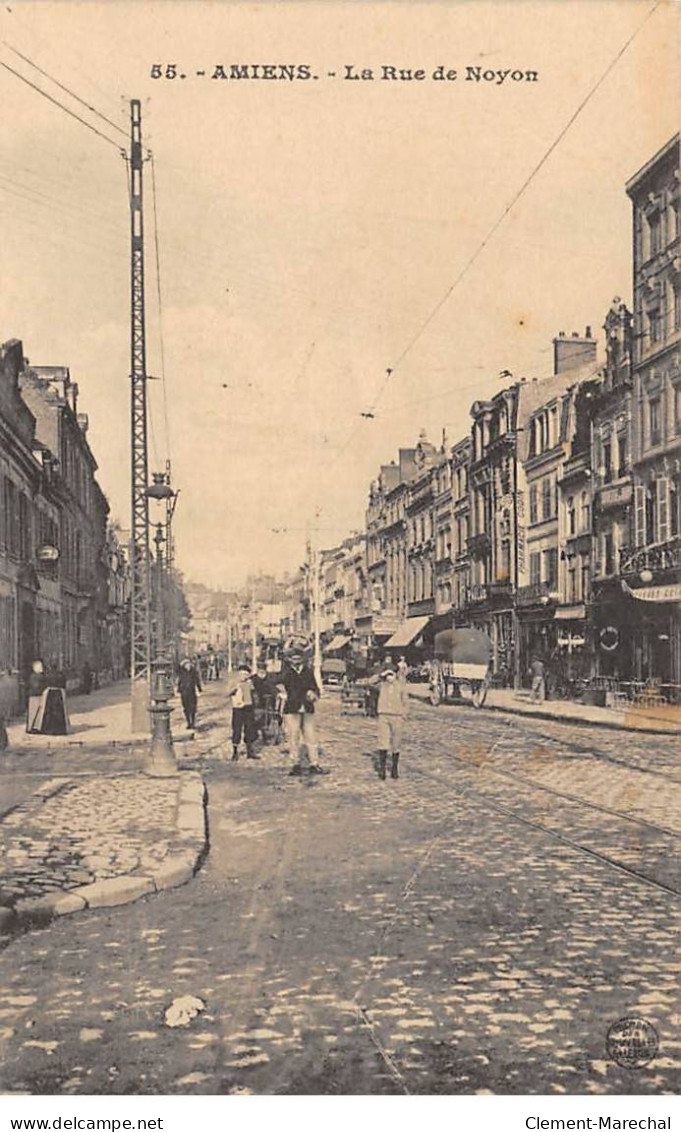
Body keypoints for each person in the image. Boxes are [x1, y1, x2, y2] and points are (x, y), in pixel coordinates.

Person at [280, 643, 322, 775]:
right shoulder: (286, 673)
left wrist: (313, 693)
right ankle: (295, 764)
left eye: (298, 659)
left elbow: (316, 689)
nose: (296, 661)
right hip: (292, 709)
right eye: (293, 659)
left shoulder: (308, 672)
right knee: (293, 737)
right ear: (290, 660)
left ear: (302, 659)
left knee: (311, 737)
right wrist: (279, 694)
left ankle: (314, 764)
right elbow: (270, 682)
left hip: (307, 708)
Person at [376, 665, 409, 780]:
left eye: (391, 674)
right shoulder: (381, 685)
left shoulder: (400, 686)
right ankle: (382, 769)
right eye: (387, 675)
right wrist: (380, 676)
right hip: (383, 716)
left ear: (395, 674)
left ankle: (394, 768)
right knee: (383, 742)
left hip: (397, 717)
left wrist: (403, 715)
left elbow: (405, 701)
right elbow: (368, 682)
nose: (389, 677)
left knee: (396, 743)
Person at [227, 664, 259, 760]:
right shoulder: (234, 682)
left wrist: (256, 703)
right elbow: (227, 693)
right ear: (238, 674)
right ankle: (235, 751)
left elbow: (254, 694)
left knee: (249, 729)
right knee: (237, 729)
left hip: (248, 708)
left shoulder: (250, 683)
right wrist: (234, 689)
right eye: (242, 674)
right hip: (238, 708)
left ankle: (250, 751)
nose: (244, 676)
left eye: (246, 674)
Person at [252, 663, 279, 743]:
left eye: (263, 672)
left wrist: (278, 693)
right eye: (260, 672)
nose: (262, 674)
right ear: (257, 671)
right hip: (257, 702)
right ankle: (256, 734)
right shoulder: (253, 679)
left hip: (270, 701)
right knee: (257, 718)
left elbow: (273, 687)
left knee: (271, 716)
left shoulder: (270, 678)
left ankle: (270, 734)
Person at [178, 658, 202, 729]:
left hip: (192, 692)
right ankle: (188, 722)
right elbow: (180, 681)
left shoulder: (193, 672)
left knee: (193, 708)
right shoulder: (182, 672)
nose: (188, 666)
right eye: (186, 664)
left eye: (189, 664)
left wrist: (199, 688)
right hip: (184, 692)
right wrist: (179, 689)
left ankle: (193, 723)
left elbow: (197, 680)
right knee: (186, 708)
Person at [26, 660, 46, 733]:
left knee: (33, 712)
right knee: (38, 711)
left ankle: (31, 727)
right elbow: (38, 685)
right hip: (38, 695)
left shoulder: (32, 676)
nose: (42, 668)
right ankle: (35, 727)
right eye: (41, 667)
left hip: (32, 695)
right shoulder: (40, 676)